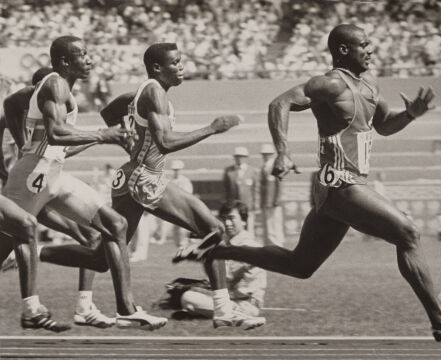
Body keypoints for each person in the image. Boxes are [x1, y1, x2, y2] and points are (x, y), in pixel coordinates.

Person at [175, 24, 441, 342]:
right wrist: (282, 153)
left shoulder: (370, 86)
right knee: (408, 233)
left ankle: (220, 252)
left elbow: (384, 126)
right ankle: (440, 322)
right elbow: (278, 104)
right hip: (341, 183)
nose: (371, 49)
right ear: (343, 50)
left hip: (344, 187)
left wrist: (410, 115)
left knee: (301, 265)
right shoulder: (329, 84)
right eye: (363, 45)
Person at [41, 42, 264, 329]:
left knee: (101, 257)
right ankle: (223, 310)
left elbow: (110, 112)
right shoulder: (154, 92)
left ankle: (36, 252)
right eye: (176, 62)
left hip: (133, 176)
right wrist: (213, 127)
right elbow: (165, 143)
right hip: (145, 178)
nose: (182, 67)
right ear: (158, 67)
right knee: (214, 229)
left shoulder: (145, 92)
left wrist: (130, 140)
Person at [1, 36, 167, 331]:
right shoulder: (54, 84)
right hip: (32, 175)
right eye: (83, 54)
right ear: (65, 61)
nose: (90, 59)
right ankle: (31, 310)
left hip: (53, 174)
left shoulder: (61, 88)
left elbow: (14, 105)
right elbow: (54, 134)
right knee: (11, 239)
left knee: (114, 225)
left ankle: (125, 309)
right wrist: (102, 135)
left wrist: (23, 140)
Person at [0, 67, 115, 328]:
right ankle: (31, 308)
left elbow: (58, 152)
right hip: (18, 192)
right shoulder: (17, 118)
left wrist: (97, 139)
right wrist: (13, 166)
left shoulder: (37, 120)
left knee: (93, 236)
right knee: (17, 237)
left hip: (41, 186)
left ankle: (84, 306)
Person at [180, 201, 267, 324]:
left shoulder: (247, 246)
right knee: (189, 294)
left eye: (231, 218)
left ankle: (234, 314)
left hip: (245, 304)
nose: (227, 223)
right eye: (224, 219)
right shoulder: (230, 242)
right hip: (235, 299)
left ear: (244, 221)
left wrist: (202, 254)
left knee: (188, 297)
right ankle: (197, 310)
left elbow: (225, 277)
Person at [223, 146, 258, 237]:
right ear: (234, 157)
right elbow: (226, 189)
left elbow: (256, 189)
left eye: (242, 156)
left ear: (246, 158)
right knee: (236, 228)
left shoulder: (252, 171)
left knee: (249, 228)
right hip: (234, 207)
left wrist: (255, 204)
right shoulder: (228, 171)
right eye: (238, 156)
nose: (240, 159)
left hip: (248, 206)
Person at [259, 144, 284, 246]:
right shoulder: (264, 167)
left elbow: (280, 184)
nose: (265, 156)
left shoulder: (277, 166)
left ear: (272, 154)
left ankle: (278, 243)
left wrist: (277, 200)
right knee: (269, 223)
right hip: (266, 201)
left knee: (276, 222)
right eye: (264, 154)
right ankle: (272, 243)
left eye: (268, 154)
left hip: (273, 202)